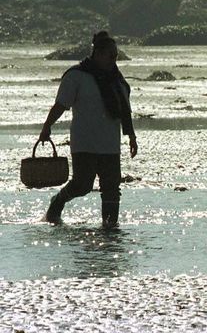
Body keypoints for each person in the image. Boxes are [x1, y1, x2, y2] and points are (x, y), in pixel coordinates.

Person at [39, 31, 137, 228]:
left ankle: (109, 229)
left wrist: (132, 136)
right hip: (85, 142)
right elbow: (60, 105)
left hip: (110, 144)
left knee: (111, 188)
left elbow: (126, 110)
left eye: (116, 55)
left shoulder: (117, 80)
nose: (114, 59)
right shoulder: (76, 76)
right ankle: (57, 202)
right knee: (82, 185)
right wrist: (46, 127)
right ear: (98, 54)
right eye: (111, 55)